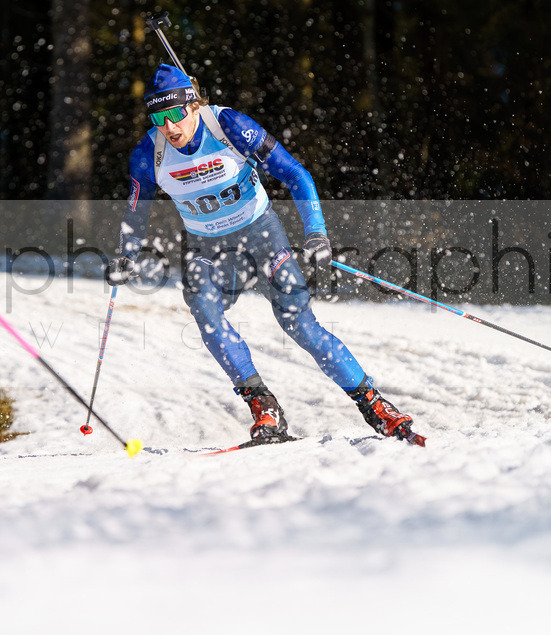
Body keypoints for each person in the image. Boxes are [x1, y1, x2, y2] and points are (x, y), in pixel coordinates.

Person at [109, 63, 424, 445]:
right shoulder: (149, 153)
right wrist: (125, 256)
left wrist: (316, 233)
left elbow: (295, 173)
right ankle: (264, 406)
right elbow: (136, 213)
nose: (169, 127)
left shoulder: (229, 126)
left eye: (175, 114)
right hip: (208, 249)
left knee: (299, 322)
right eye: (159, 118)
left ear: (193, 105)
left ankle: (375, 405)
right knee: (204, 309)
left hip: (262, 236)